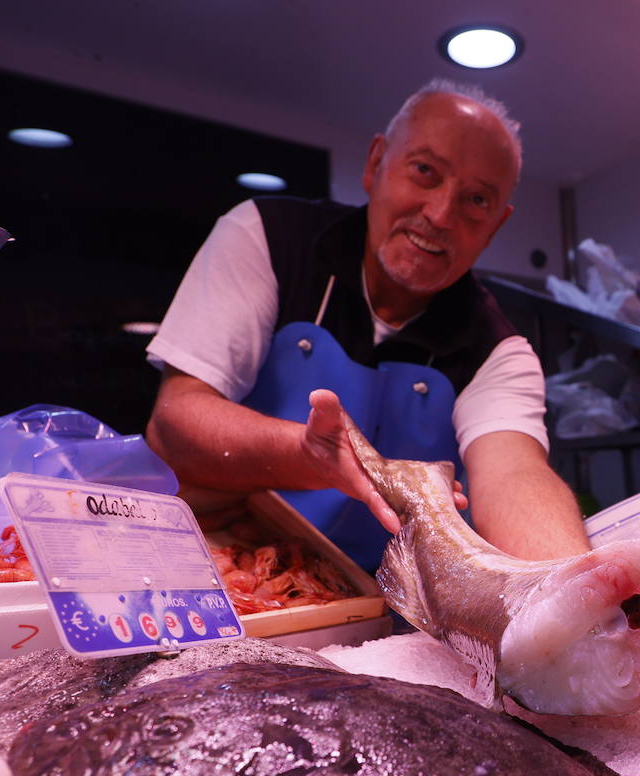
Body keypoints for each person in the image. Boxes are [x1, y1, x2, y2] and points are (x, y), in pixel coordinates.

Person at [144, 78, 591, 568]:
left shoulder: (497, 350)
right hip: (224, 569)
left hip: (383, 610)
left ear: (496, 226)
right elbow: (175, 421)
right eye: (425, 171)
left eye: (477, 200)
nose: (441, 215)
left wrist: (577, 590)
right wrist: (306, 452)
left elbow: (514, 475)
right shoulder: (268, 239)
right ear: (376, 163)